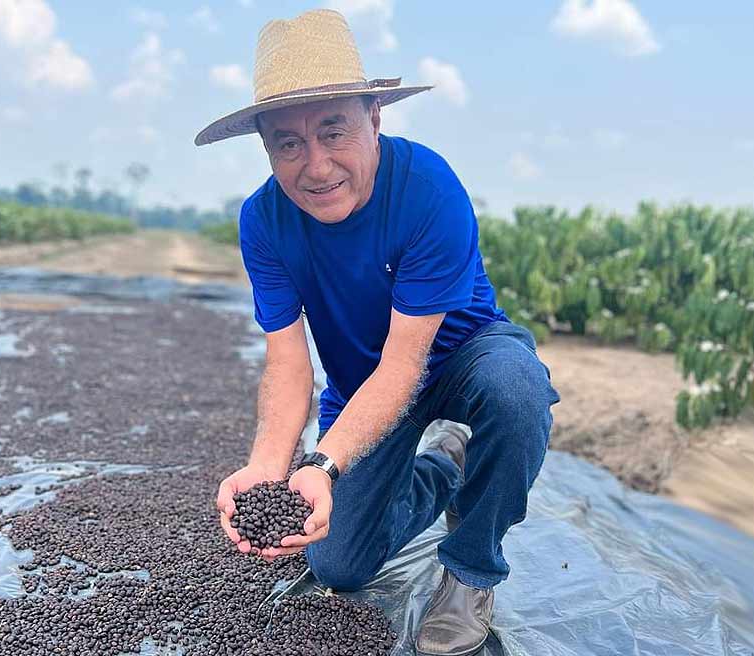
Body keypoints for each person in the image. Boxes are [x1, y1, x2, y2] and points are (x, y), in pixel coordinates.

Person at [196, 9, 559, 656]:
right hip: (365, 382)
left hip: (460, 357)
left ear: (375, 118)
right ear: (266, 148)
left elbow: (406, 365)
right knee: (339, 565)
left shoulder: (426, 190)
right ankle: (446, 467)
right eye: (287, 143)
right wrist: (266, 470)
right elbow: (287, 365)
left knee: (517, 389)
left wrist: (326, 464)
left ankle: (473, 570)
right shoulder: (263, 221)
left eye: (333, 130)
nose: (315, 165)